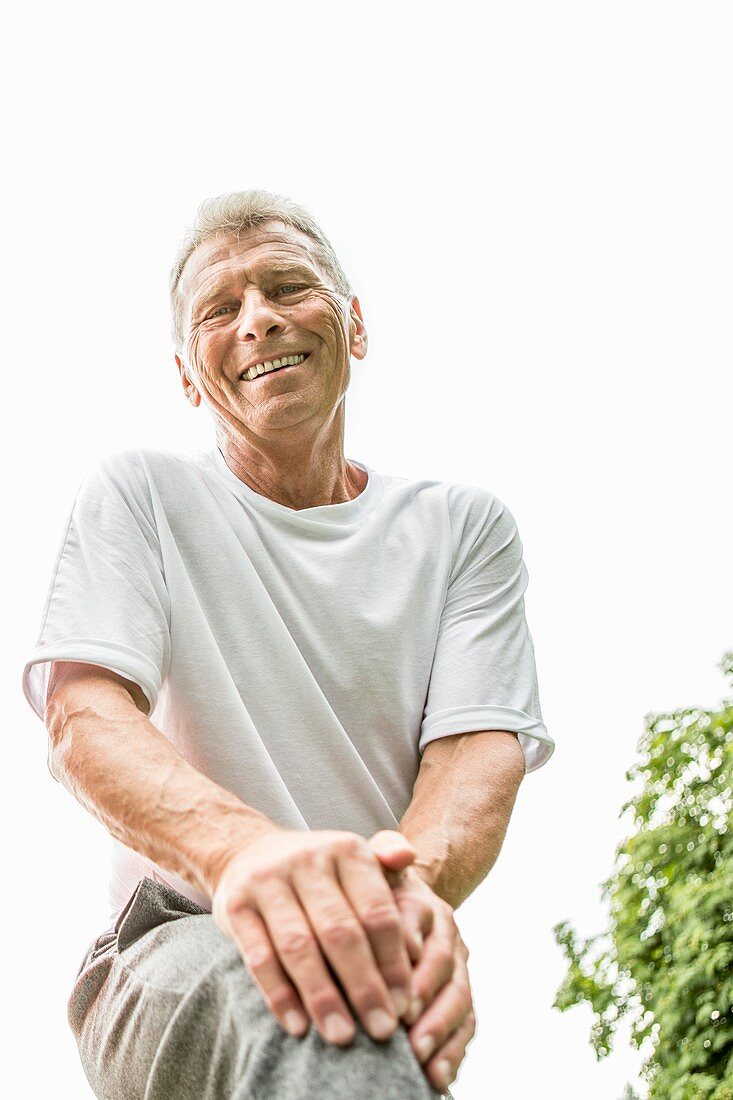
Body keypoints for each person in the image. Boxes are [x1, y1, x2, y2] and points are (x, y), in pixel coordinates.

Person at [22, 189, 555, 1100]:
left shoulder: (464, 529)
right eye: (220, 310)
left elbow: (475, 754)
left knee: (351, 1033)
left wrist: (400, 897)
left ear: (352, 325)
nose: (258, 321)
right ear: (190, 373)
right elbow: (85, 716)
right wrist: (245, 856)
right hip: (172, 932)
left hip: (368, 942)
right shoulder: (141, 495)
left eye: (286, 289)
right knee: (317, 1023)